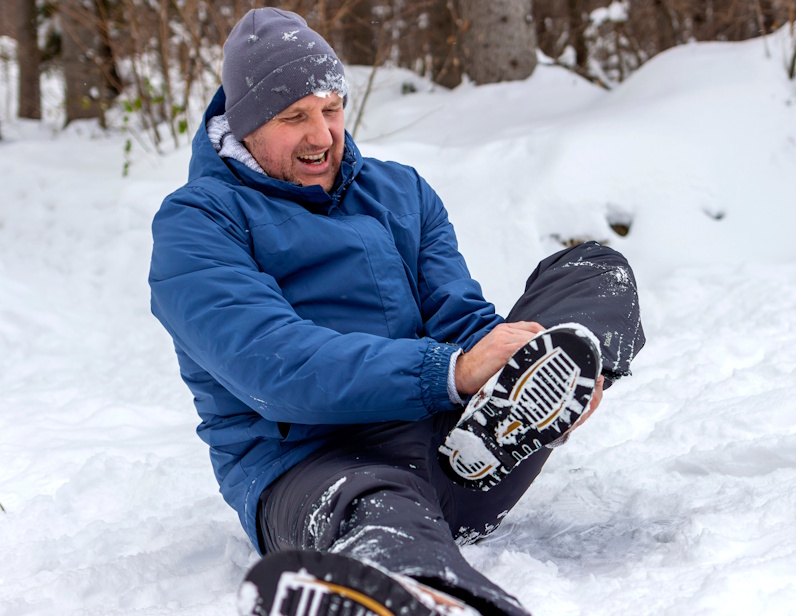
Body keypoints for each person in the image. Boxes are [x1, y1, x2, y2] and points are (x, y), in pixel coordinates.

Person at [148, 8, 644, 616]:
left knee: (595, 271)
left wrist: (531, 361)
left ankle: (517, 413)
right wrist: (451, 372)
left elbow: (460, 318)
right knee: (377, 513)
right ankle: (426, 598)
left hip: (467, 449)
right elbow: (275, 369)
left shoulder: (401, 191)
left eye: (331, 109)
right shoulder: (197, 224)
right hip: (314, 469)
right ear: (246, 123)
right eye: (293, 116)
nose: (322, 135)